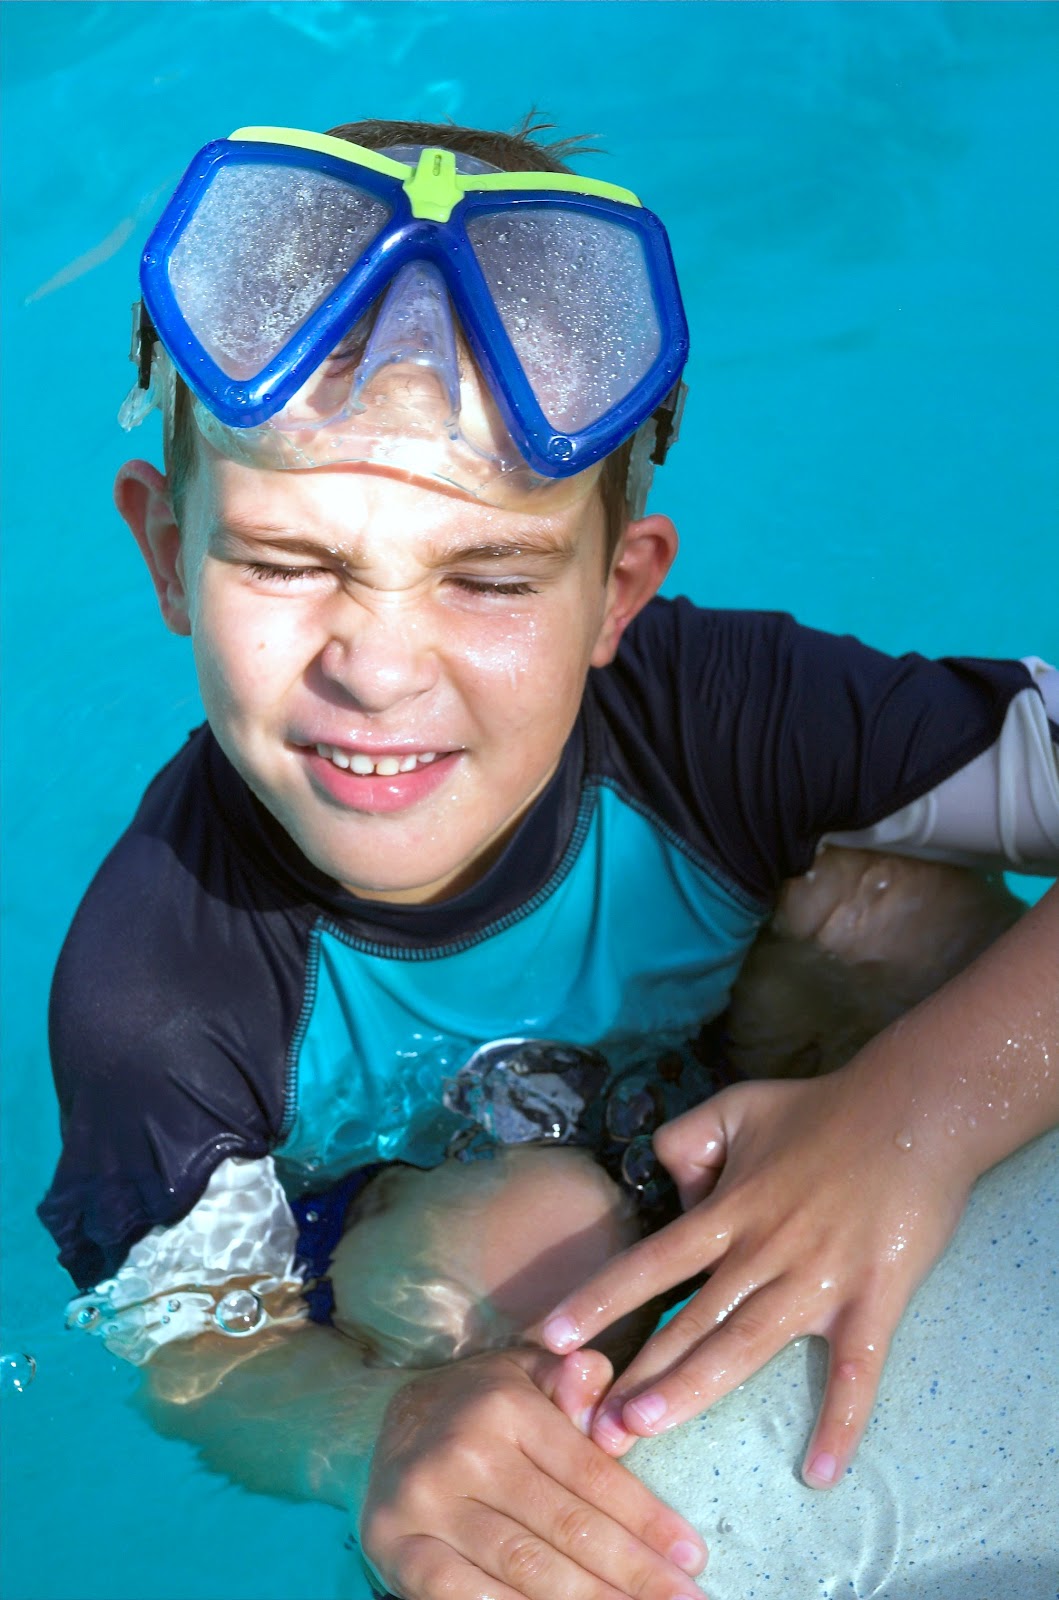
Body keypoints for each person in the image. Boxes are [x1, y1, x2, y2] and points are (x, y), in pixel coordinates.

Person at [37, 115, 1059, 1600]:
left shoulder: (723, 716)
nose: (378, 672)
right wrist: (378, 1434)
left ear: (616, 593)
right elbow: (199, 1361)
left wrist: (914, 1113)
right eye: (288, 560)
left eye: (490, 576)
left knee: (885, 913)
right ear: (163, 552)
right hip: (448, 1247)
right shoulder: (162, 983)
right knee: (533, 1228)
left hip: (768, 1085)